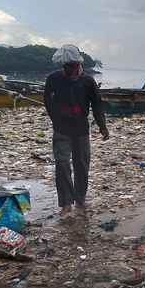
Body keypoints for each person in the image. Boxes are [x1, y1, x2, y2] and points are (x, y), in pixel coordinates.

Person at [44, 44, 109, 214]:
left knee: (81, 166)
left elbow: (96, 105)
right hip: (61, 130)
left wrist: (102, 126)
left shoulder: (88, 81)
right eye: (67, 66)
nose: (71, 70)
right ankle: (66, 202)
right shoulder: (54, 79)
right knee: (62, 163)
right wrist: (55, 119)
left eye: (73, 66)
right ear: (63, 66)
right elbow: (47, 100)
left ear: (79, 65)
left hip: (81, 130)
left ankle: (80, 200)